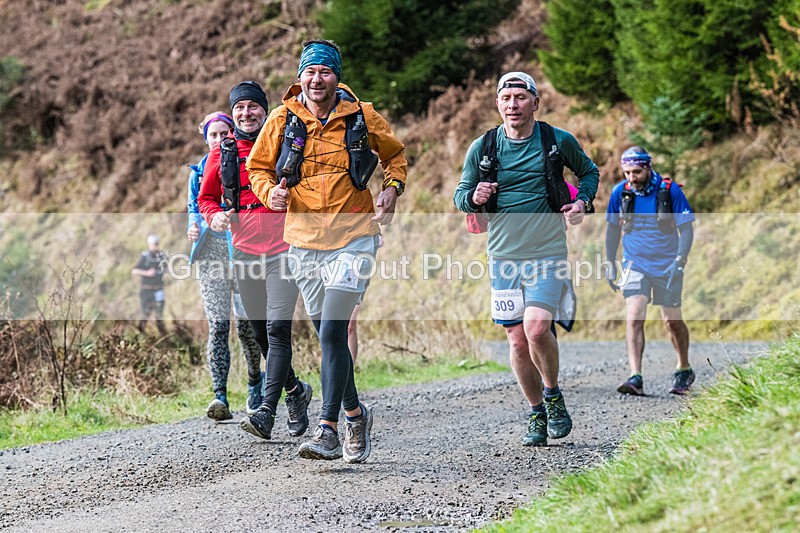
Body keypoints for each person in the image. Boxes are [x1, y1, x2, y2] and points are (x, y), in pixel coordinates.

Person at [247, 39, 407, 463]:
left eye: (325, 72)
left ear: (337, 76)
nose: (317, 80)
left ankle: (328, 428)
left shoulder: (362, 115)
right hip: (302, 243)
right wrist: (268, 195)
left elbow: (396, 156)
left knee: (334, 331)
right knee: (328, 337)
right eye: (310, 73)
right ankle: (356, 414)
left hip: (354, 239)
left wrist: (392, 190)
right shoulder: (283, 118)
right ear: (300, 78)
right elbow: (257, 168)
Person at [454, 72, 599, 447]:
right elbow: (460, 195)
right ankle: (536, 410)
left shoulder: (556, 140)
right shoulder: (483, 146)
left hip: (547, 252)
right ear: (498, 104)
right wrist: (475, 197)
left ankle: (552, 395)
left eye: (521, 97)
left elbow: (589, 171)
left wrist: (582, 201)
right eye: (506, 98)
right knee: (517, 340)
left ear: (536, 102)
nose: (513, 104)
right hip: (503, 257)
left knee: (537, 329)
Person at [199, 81, 312, 439]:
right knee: (262, 334)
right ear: (233, 116)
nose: (247, 114)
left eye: (253, 107)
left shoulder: (286, 140)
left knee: (278, 329)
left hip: (285, 249)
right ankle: (295, 391)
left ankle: (266, 410)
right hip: (244, 252)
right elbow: (207, 198)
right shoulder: (223, 151)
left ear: (265, 110)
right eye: (240, 109)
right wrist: (214, 216)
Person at [187, 111, 264, 421]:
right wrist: (193, 226)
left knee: (248, 327)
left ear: (232, 133)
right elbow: (194, 207)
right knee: (218, 325)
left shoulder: (244, 160)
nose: (219, 139)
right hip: (210, 253)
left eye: (224, 133)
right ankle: (219, 396)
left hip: (242, 248)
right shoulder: (198, 171)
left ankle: (254, 384)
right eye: (213, 135)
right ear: (206, 138)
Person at [605, 146, 696, 396]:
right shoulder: (620, 193)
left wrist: (680, 260)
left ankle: (684, 368)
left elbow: (686, 228)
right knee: (634, 314)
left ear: (648, 167)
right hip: (634, 263)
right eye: (626, 172)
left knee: (672, 322)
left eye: (636, 171)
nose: (631, 178)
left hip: (667, 264)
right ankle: (635, 376)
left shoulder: (669, 190)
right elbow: (612, 229)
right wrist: (609, 262)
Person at [131, 234, 168, 335]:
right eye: (153, 244)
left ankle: (164, 337)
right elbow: (135, 270)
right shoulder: (145, 256)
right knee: (145, 314)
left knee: (159, 315)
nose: (155, 246)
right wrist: (146, 273)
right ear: (149, 244)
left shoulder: (162, 256)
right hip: (146, 291)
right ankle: (140, 334)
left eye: (157, 244)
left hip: (159, 290)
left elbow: (167, 269)